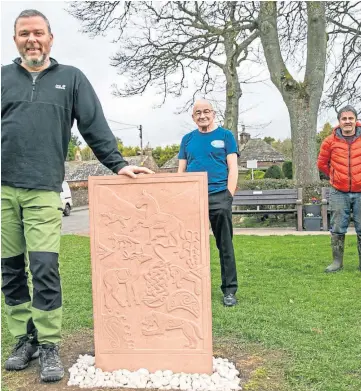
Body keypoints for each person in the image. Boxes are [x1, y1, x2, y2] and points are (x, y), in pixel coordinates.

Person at [1, 9, 153, 382]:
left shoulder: (71, 79)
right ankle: (24, 340)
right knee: (9, 270)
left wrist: (118, 164)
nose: (31, 39)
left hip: (43, 190)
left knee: (44, 267)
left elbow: (94, 125)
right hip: (3, 190)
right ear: (15, 39)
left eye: (38, 33)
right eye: (24, 34)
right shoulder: (3, 78)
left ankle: (50, 343)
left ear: (51, 38)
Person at [178, 99, 239, 307]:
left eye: (206, 112)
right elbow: (181, 171)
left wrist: (228, 196)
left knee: (225, 246)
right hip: (193, 199)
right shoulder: (187, 139)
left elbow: (233, 167)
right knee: (189, 246)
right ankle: (190, 289)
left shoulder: (226, 136)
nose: (202, 116)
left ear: (213, 114)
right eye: (198, 113)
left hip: (219, 196)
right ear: (193, 117)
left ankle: (229, 290)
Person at [317, 105, 361, 272]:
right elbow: (321, 163)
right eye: (344, 119)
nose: (348, 121)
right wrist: (336, 176)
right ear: (339, 121)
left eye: (350, 118)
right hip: (338, 192)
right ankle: (337, 262)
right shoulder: (330, 141)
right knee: (337, 227)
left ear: (356, 120)